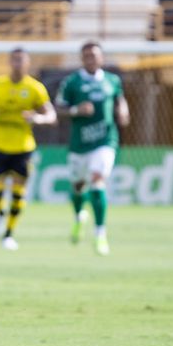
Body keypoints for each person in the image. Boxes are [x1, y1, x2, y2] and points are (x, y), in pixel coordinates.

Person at [54, 41, 130, 256]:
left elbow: (120, 99)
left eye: (94, 55)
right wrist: (76, 110)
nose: (91, 59)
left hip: (105, 141)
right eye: (86, 55)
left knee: (97, 181)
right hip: (79, 144)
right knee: (78, 187)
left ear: (101, 58)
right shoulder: (72, 82)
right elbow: (59, 108)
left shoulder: (112, 80)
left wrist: (123, 111)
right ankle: (79, 216)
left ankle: (100, 234)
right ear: (82, 58)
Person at [0, 48, 56, 251]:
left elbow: (51, 115)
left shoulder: (35, 88)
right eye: (14, 60)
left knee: (18, 192)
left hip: (23, 146)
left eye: (21, 60)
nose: (17, 64)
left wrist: (37, 118)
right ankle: (0, 213)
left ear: (27, 63)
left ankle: (8, 234)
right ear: (9, 62)